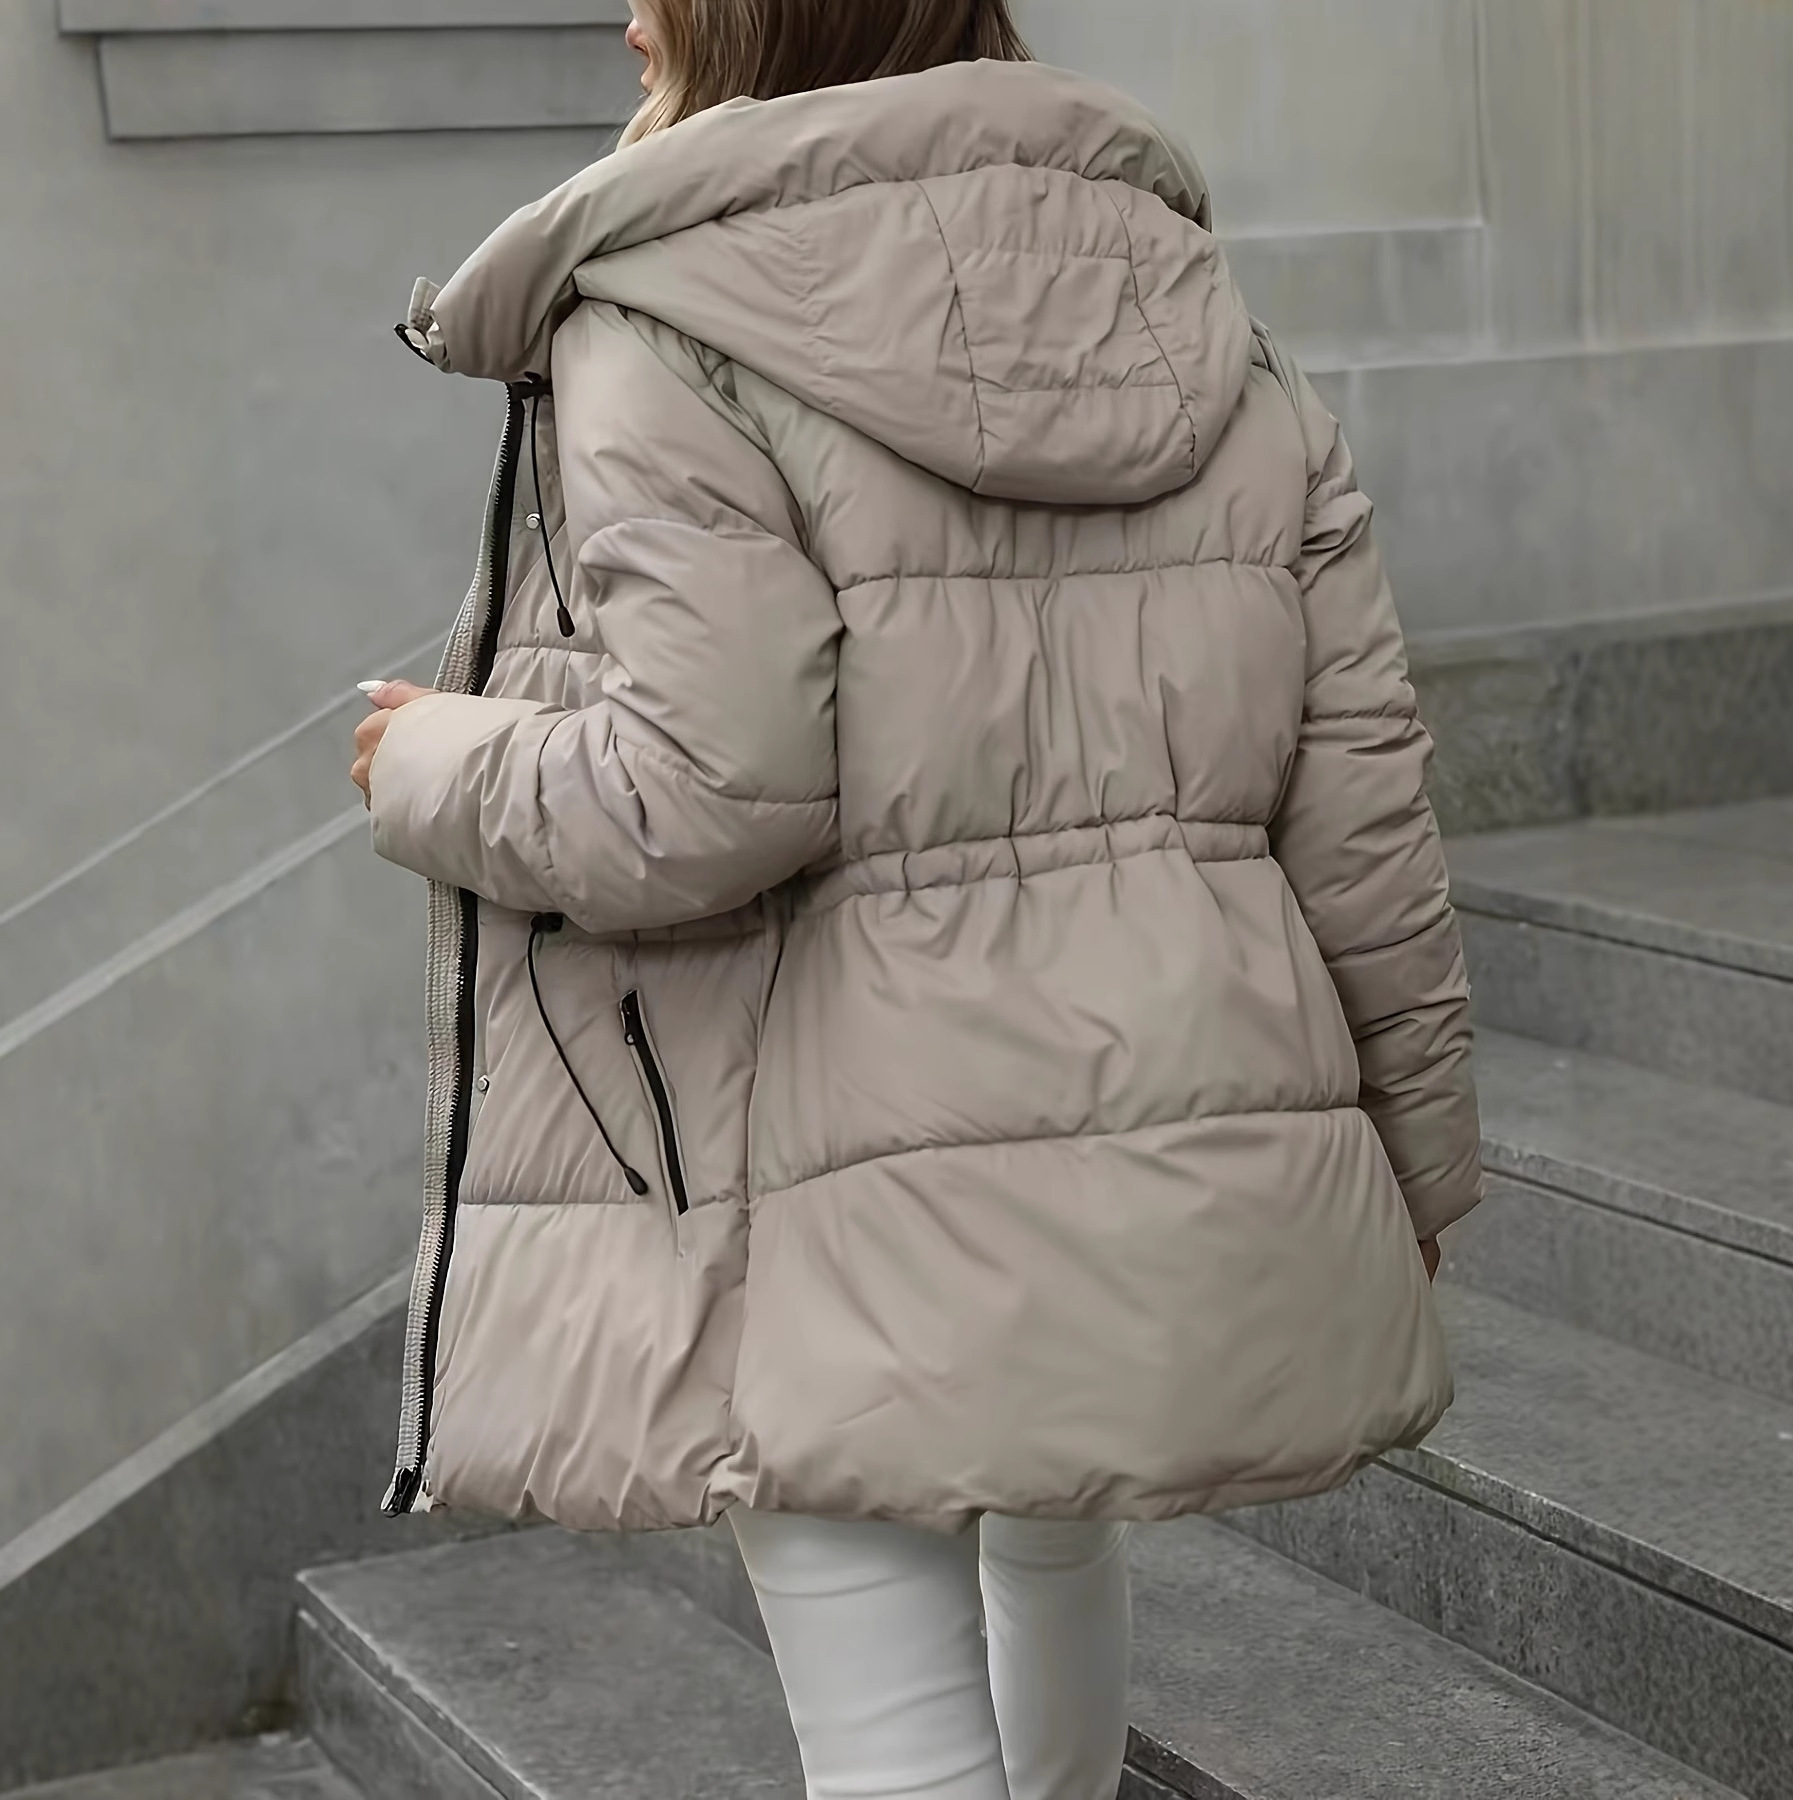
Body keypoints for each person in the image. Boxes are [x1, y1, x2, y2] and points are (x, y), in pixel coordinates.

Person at [349, 3, 1483, 1794]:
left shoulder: (672, 320)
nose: (624, 14)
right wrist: (1419, 1159)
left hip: (835, 1166)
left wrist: (439, 762)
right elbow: (1361, 809)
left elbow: (709, 790)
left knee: (892, 1728)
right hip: (1156, 1099)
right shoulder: (1195, 318)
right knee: (1056, 1534)